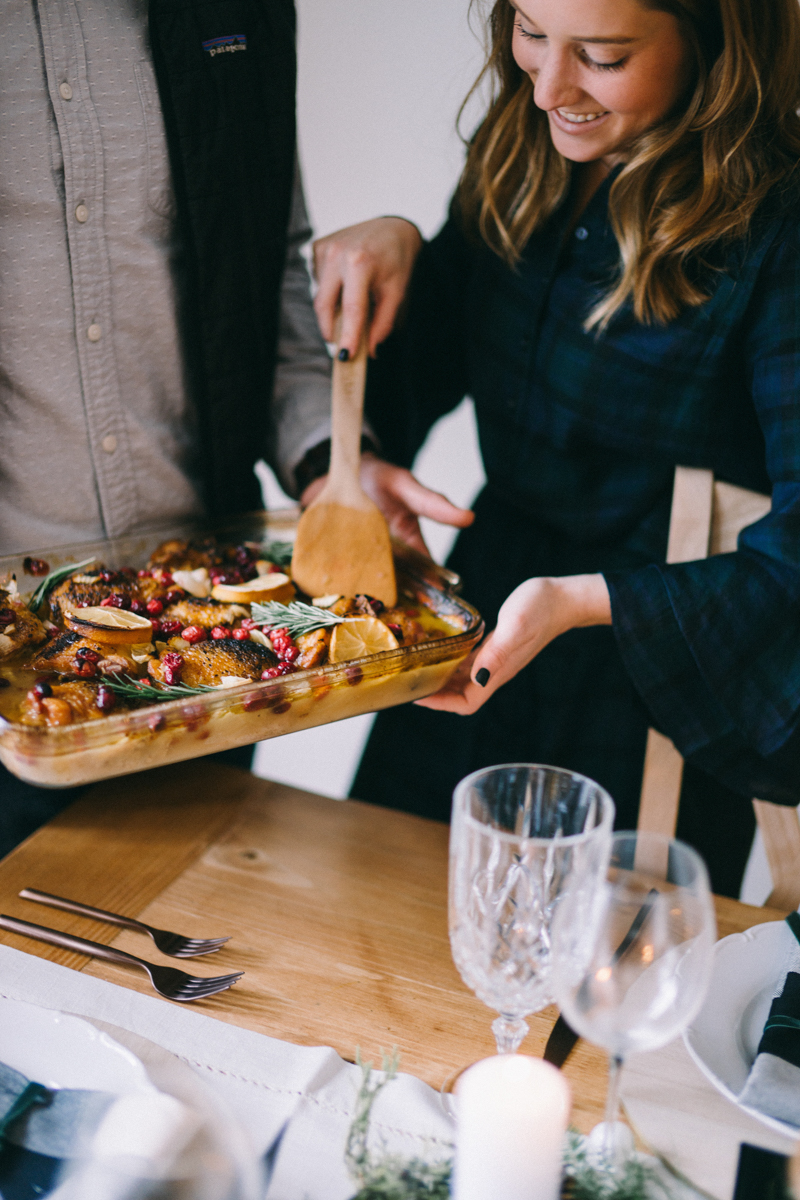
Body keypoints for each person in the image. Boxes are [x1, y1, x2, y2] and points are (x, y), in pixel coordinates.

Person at [319, 0, 800, 897]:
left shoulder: (779, 226)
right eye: (530, 32)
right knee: (369, 925)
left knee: (575, 1013)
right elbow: (443, 353)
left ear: (712, 36)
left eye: (603, 56)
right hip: (480, 608)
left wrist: (583, 602)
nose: (547, 87)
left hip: (651, 666)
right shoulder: (519, 145)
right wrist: (402, 251)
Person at [0, 0, 467, 855]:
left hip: (206, 635)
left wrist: (331, 468)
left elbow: (272, 274)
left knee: (187, 963)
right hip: (10, 657)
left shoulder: (235, 9)